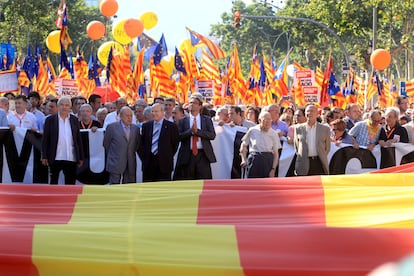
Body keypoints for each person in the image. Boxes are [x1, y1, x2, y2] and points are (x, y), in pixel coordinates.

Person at [41, 97, 84, 184]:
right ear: (58, 106)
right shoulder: (50, 120)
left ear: (70, 107)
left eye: (67, 105)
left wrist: (80, 157)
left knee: (70, 183)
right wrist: (44, 156)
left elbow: (78, 139)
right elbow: (45, 140)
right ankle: (53, 198)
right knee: (53, 182)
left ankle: (69, 198)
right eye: (62, 105)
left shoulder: (74, 120)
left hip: (71, 157)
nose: (64, 107)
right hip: (55, 156)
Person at [174, 93, 216, 180]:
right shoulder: (183, 121)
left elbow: (212, 135)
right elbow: (178, 137)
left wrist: (198, 132)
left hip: (202, 155)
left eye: (194, 103)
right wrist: (190, 132)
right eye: (190, 103)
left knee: (204, 179)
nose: (191, 105)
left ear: (200, 106)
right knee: (187, 179)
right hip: (187, 155)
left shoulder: (206, 119)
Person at [139, 103, 179, 182]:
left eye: (156, 111)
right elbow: (142, 144)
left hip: (164, 164)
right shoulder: (146, 126)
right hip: (148, 164)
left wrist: (166, 155)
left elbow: (175, 145)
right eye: (152, 111)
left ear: (162, 112)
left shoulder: (171, 127)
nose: (154, 114)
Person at [103, 106, 140, 184]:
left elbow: (136, 144)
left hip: (130, 162)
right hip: (116, 161)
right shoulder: (112, 127)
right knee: (114, 184)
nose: (129, 118)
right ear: (121, 116)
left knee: (129, 184)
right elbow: (106, 144)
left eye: (131, 116)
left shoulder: (135, 128)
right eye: (127, 116)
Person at [240, 111, 280, 178]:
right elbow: (243, 145)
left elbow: (276, 154)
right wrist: (243, 159)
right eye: (265, 120)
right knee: (252, 184)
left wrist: (273, 169)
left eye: (269, 120)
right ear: (259, 120)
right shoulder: (252, 130)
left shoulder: (274, 134)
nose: (268, 123)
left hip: (267, 161)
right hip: (254, 159)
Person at [294, 104, 331, 176]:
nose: (310, 113)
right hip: (304, 163)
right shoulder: (298, 128)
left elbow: (327, 147)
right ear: (305, 114)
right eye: (308, 111)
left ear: (317, 114)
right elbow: (297, 147)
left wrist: (321, 155)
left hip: (319, 163)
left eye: (312, 111)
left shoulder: (325, 129)